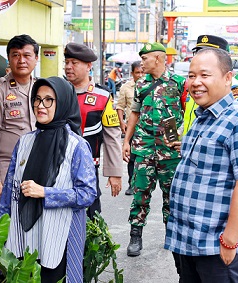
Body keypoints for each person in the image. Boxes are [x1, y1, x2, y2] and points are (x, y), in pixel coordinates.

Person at [164, 48, 238, 282]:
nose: (195, 82)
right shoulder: (201, 119)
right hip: (190, 242)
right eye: (191, 76)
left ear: (228, 78)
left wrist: (229, 240)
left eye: (204, 75)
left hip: (218, 247)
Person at [0, 76, 97, 282]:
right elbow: (9, 191)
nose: (40, 106)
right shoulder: (24, 142)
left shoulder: (76, 146)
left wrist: (45, 192)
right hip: (21, 235)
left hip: (57, 236)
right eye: (37, 99)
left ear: (62, 103)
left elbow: (88, 194)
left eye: (49, 100)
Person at [122, 42, 185, 257]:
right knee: (140, 193)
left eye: (145, 58)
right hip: (144, 148)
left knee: (172, 196)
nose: (142, 63)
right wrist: (126, 141)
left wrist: (185, 138)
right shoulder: (140, 85)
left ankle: (171, 234)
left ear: (158, 58)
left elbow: (190, 113)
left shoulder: (179, 83)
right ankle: (135, 236)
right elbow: (134, 114)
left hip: (170, 150)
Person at [0, 34, 38, 224]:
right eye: (15, 55)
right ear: (9, 59)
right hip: (6, 173)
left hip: (37, 171)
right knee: (3, 229)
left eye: (27, 55)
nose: (21, 60)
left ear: (36, 59)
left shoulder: (42, 89)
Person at [64, 42, 123, 220]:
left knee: (90, 218)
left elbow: (112, 137)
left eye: (74, 63)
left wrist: (114, 173)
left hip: (88, 169)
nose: (68, 67)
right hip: (57, 167)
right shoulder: (56, 91)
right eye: (66, 62)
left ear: (88, 66)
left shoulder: (103, 96)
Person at [182, 34, 238, 136]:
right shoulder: (194, 84)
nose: (203, 57)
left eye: (209, 53)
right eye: (199, 52)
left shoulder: (235, 89)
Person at [116, 61, 144, 195]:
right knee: (131, 158)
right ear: (132, 73)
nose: (140, 75)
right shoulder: (126, 87)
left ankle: (144, 185)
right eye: (137, 72)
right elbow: (120, 106)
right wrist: (122, 123)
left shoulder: (150, 86)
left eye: (142, 72)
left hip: (147, 129)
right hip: (132, 128)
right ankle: (132, 184)